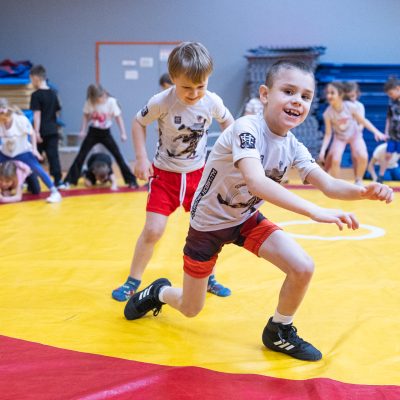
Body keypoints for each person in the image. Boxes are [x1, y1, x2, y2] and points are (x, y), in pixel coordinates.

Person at [123, 60, 393, 362]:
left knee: (302, 267)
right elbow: (256, 181)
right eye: (288, 91)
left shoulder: (293, 146)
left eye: (305, 96)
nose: (297, 101)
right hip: (208, 226)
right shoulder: (246, 128)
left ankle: (279, 330)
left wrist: (363, 191)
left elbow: (329, 184)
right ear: (265, 94)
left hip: (245, 219)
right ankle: (159, 292)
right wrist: (313, 211)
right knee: (190, 307)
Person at [112, 42, 234, 301]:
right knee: (153, 230)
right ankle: (133, 279)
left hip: (199, 176)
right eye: (187, 87)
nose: (194, 93)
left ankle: (208, 277)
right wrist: (141, 158)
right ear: (173, 78)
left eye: (201, 86)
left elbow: (228, 122)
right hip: (165, 176)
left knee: (207, 231)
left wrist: (232, 155)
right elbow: (137, 122)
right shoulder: (162, 102)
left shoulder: (211, 101)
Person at [63, 84, 138, 188]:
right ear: (95, 98)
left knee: (118, 155)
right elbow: (85, 116)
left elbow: (118, 118)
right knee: (81, 155)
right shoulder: (90, 102)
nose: (103, 98)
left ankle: (131, 181)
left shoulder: (111, 102)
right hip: (93, 132)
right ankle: (69, 181)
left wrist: (123, 133)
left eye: (104, 96)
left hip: (106, 133)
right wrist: (83, 130)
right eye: (100, 97)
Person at [318, 81, 385, 185]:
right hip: (339, 137)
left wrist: (376, 132)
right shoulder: (327, 113)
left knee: (363, 156)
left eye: (332, 93)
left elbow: (363, 121)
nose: (328, 96)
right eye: (327, 93)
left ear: (340, 94)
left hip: (355, 136)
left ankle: (358, 180)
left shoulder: (350, 107)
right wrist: (322, 150)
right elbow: (328, 134)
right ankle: (336, 185)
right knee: (335, 159)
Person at [0, 98, 62, 203]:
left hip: (22, 151)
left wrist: (34, 149)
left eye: (5, 119)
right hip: (6, 152)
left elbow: (32, 133)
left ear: (8, 112)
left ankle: (55, 192)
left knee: (37, 168)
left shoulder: (20, 120)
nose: (4, 122)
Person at [29, 64, 64, 188]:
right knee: (53, 156)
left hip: (41, 131)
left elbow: (37, 115)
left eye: (31, 79)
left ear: (36, 78)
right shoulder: (53, 93)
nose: (31, 82)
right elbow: (57, 112)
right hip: (53, 130)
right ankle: (58, 181)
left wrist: (36, 132)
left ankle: (31, 183)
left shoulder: (36, 95)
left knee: (33, 157)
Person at [376, 77, 400, 183]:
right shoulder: (392, 103)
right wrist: (386, 132)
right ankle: (380, 176)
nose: (390, 96)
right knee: (388, 155)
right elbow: (388, 118)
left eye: (391, 93)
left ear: (398, 88)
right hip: (393, 135)